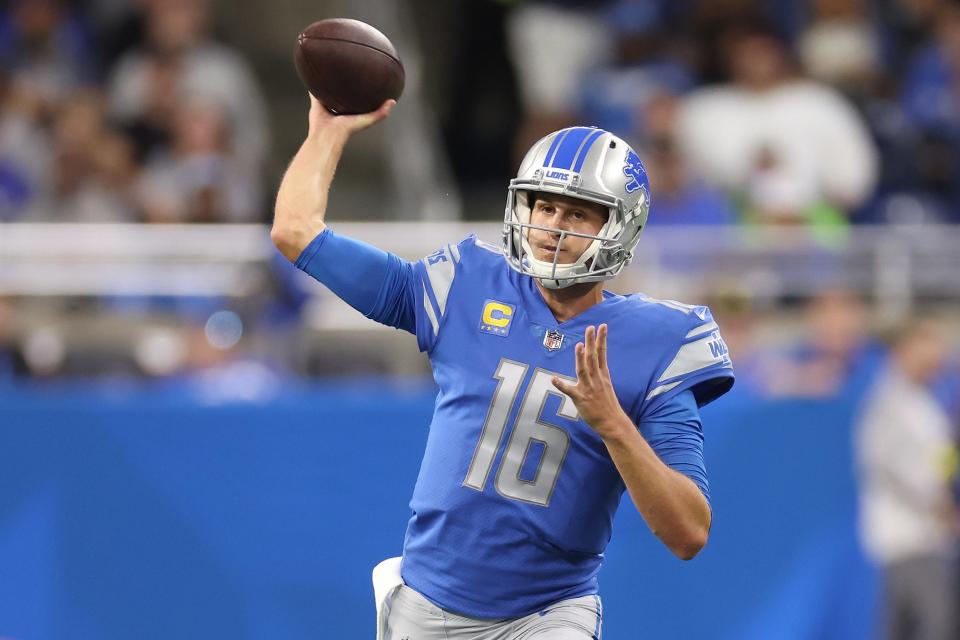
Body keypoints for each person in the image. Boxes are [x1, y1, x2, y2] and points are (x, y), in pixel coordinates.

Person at [271, 96, 735, 639]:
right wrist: (326, 133)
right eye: (544, 207)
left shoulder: (656, 343)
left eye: (577, 213)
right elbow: (296, 232)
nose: (553, 227)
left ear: (620, 226)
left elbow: (688, 532)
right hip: (427, 607)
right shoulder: (467, 284)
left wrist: (613, 424)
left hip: (548, 615)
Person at [856, 320, 958, 640]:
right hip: (906, 540)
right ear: (904, 350)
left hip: (926, 539)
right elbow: (899, 467)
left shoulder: (923, 402)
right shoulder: (889, 402)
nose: (936, 354)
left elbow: (940, 463)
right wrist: (943, 507)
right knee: (935, 623)